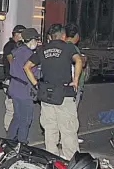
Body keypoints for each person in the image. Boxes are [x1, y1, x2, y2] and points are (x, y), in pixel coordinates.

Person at [24, 23, 83, 160]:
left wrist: (36, 84)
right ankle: (71, 161)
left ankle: (52, 160)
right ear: (63, 35)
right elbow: (79, 60)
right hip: (64, 94)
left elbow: (27, 67)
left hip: (46, 95)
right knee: (68, 130)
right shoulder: (68, 47)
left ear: (50, 37)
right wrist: (75, 80)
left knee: (50, 130)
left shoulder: (43, 50)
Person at [7, 28, 40, 144]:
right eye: (36, 39)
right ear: (31, 40)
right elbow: (35, 73)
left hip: (14, 88)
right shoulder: (29, 55)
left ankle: (9, 140)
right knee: (26, 119)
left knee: (17, 116)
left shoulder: (17, 51)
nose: (37, 42)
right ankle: (22, 143)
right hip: (25, 91)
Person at [64, 23, 88, 144]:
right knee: (71, 113)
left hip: (65, 84)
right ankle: (70, 138)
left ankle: (66, 137)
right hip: (74, 85)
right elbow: (80, 62)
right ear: (76, 35)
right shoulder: (72, 48)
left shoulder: (63, 46)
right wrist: (83, 58)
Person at [2, 24, 26, 132]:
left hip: (17, 81)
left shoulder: (19, 47)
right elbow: (11, 60)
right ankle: (9, 132)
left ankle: (14, 133)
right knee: (11, 108)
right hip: (11, 81)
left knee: (18, 109)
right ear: (17, 34)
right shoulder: (10, 46)